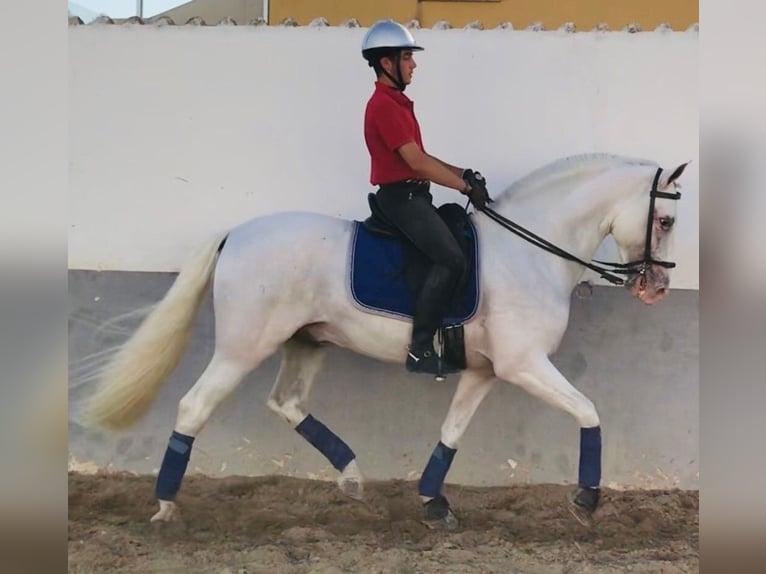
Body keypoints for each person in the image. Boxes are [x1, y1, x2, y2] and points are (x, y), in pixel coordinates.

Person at [361, 19, 492, 376]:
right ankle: (419, 349)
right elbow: (416, 162)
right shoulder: (384, 106)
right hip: (400, 201)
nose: (413, 64)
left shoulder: (398, 102)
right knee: (451, 260)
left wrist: (463, 173)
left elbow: (423, 156)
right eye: (407, 57)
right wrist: (463, 187)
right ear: (386, 63)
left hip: (414, 197)